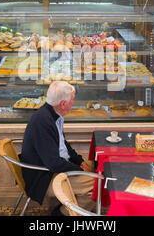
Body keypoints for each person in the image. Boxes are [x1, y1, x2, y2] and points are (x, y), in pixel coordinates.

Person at [20, 81, 95, 214]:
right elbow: (53, 163)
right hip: (43, 178)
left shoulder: (52, 114)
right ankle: (62, 214)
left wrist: (80, 162)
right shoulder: (43, 122)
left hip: (54, 168)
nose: (73, 103)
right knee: (98, 185)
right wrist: (79, 169)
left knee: (96, 168)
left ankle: (65, 208)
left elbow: (63, 144)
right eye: (72, 100)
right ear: (63, 104)